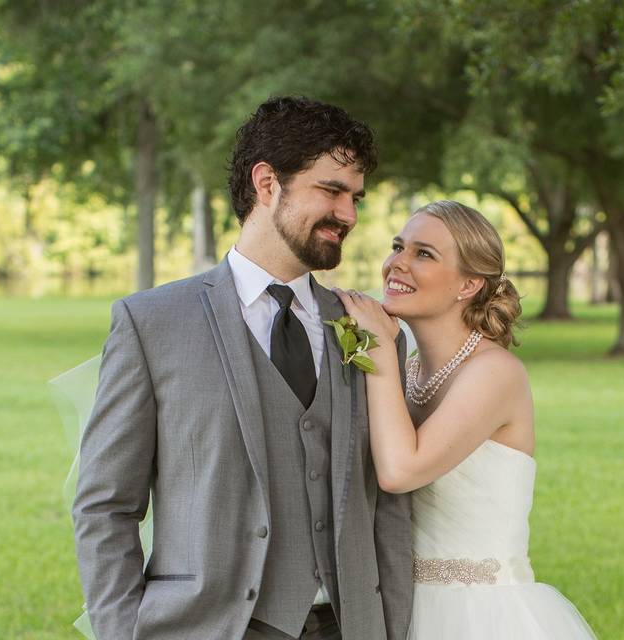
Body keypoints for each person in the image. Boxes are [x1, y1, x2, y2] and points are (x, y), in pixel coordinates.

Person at [72, 96, 413, 640]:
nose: (348, 214)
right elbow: (106, 505)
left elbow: (390, 514)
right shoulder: (152, 323)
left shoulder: (371, 331)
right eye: (331, 190)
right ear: (267, 182)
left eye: (355, 198)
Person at [334, 200, 597, 639]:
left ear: (469, 284)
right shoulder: (412, 371)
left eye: (424, 254)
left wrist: (376, 347)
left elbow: (400, 471)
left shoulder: (495, 373)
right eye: (398, 246)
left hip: (482, 616)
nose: (397, 263)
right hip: (400, 606)